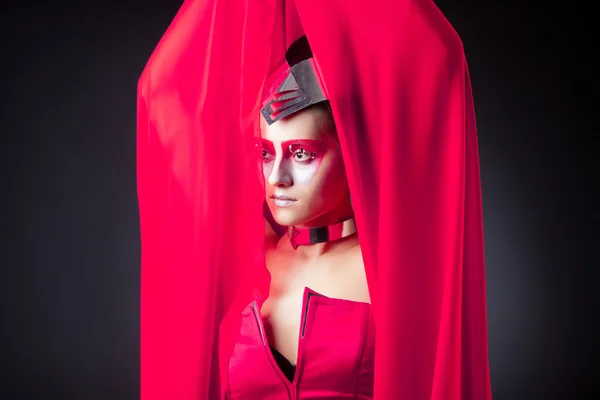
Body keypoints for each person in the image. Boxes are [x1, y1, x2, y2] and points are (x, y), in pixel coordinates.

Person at [137, 0, 493, 399]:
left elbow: (436, 57)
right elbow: (165, 88)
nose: (277, 178)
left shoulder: (396, 267)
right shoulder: (240, 261)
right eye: (266, 152)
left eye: (302, 153)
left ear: (354, 152)